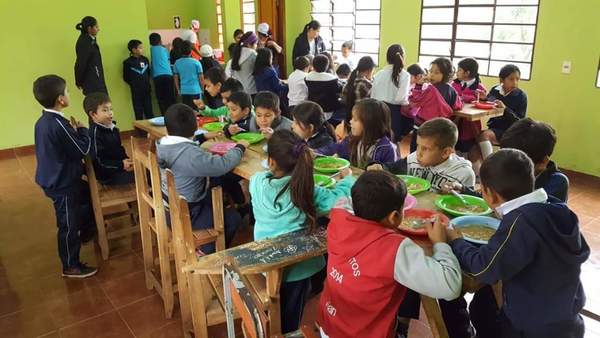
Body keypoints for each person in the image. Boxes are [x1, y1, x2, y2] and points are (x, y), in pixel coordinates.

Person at [447, 149, 589, 338]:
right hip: (566, 319)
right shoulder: (557, 208)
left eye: (482, 189)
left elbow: (483, 268)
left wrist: (455, 240)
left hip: (533, 326)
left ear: (490, 195)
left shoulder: (519, 221)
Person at [318, 170, 462, 337]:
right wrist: (440, 243)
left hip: (329, 325)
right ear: (394, 216)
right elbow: (450, 286)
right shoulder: (394, 249)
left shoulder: (338, 215)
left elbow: (347, 200)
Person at [250, 129, 356, 333]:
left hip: (264, 258)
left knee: (277, 306)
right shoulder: (305, 190)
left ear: (271, 161)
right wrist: (348, 179)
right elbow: (338, 199)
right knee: (291, 314)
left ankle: (271, 328)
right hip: (296, 267)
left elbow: (264, 176)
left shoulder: (256, 182)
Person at [156, 104, 247, 253]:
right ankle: (206, 251)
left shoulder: (162, 143)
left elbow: (182, 147)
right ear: (196, 126)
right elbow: (222, 165)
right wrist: (240, 148)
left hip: (169, 208)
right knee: (233, 219)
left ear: (167, 128)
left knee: (216, 184)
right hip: (188, 214)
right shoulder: (192, 155)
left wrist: (202, 137)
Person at [33, 75, 97, 278]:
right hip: (62, 183)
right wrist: (83, 130)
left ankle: (87, 231)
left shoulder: (43, 121)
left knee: (88, 196)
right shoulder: (59, 124)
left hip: (56, 178)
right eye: (68, 92)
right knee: (67, 224)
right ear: (61, 99)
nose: (69, 95)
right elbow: (82, 149)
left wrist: (75, 131)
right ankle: (71, 265)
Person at [444, 118, 569, 203]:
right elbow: (493, 197)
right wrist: (463, 189)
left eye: (516, 165)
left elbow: (538, 217)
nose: (508, 167)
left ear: (542, 162)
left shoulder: (557, 183)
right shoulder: (508, 168)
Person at [369, 118, 476, 193]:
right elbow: (393, 168)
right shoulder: (414, 158)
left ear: (446, 152)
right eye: (418, 145)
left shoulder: (463, 174)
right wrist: (379, 167)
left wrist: (459, 191)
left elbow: (468, 205)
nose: (418, 152)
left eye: (425, 149)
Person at [318, 98, 397, 169]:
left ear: (369, 124)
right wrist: (316, 153)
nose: (350, 121)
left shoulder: (387, 149)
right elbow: (334, 148)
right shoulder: (352, 139)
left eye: (355, 119)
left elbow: (391, 177)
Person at [409, 57, 463, 152]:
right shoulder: (452, 91)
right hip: (440, 130)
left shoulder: (430, 90)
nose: (432, 75)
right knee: (433, 154)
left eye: (436, 73)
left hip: (422, 127)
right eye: (431, 72)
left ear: (446, 75)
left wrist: (418, 85)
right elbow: (458, 105)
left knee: (416, 153)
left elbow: (415, 101)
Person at [478, 64, 528, 160]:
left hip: (512, 132)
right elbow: (490, 101)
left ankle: (490, 165)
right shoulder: (495, 90)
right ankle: (480, 173)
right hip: (495, 128)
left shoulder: (521, 96)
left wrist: (505, 109)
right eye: (511, 79)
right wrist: (484, 98)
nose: (515, 83)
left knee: (484, 135)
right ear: (501, 80)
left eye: (517, 79)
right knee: (474, 148)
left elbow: (520, 122)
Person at [85, 92, 134, 186]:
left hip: (119, 169)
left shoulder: (113, 128)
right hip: (108, 177)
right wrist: (121, 164)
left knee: (146, 170)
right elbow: (98, 163)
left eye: (111, 109)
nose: (110, 112)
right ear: (93, 114)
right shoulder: (94, 133)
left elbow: (119, 149)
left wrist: (126, 161)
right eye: (105, 110)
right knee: (146, 175)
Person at [372, 44, 412, 144]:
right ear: (402, 57)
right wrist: (409, 103)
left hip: (377, 110)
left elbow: (373, 96)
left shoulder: (379, 74)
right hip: (393, 113)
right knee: (392, 143)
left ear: (387, 57)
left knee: (378, 140)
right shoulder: (404, 75)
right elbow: (401, 99)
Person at [452, 57, 487, 155]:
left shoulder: (479, 88)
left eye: (459, 70)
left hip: (470, 126)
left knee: (469, 149)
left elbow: (483, 102)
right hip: (454, 121)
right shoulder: (454, 84)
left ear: (467, 73)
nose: (457, 73)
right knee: (454, 146)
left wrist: (483, 98)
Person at [339, 56, 375, 137]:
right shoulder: (367, 84)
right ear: (370, 70)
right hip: (364, 120)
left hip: (350, 119)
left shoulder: (348, 83)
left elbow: (343, 100)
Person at [74, 16, 107, 95]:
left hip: (97, 81)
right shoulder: (85, 42)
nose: (98, 29)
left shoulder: (91, 40)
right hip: (92, 83)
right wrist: (79, 81)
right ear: (89, 28)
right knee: (99, 105)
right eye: (96, 27)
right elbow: (80, 63)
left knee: (105, 104)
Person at [305, 54, 343, 121]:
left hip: (314, 107)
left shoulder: (307, 77)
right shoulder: (332, 78)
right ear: (327, 66)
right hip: (329, 108)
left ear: (313, 65)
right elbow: (339, 89)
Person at [123, 39, 153, 120]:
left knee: (149, 110)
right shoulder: (127, 62)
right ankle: (141, 132)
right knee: (138, 111)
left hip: (146, 89)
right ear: (133, 50)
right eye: (140, 48)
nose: (142, 49)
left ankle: (152, 131)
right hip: (136, 91)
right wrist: (134, 84)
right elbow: (126, 77)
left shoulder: (145, 59)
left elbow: (148, 73)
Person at [149, 33, 176, 115]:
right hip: (168, 75)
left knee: (161, 99)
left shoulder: (149, 50)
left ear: (150, 42)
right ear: (160, 41)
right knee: (171, 98)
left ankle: (164, 116)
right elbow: (168, 61)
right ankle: (173, 115)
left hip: (157, 77)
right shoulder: (164, 49)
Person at [173, 41, 204, 110]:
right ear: (191, 51)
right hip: (196, 90)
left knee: (187, 112)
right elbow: (201, 78)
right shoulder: (196, 62)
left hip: (184, 91)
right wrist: (202, 90)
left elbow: (175, 78)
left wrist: (178, 90)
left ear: (180, 51)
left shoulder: (177, 63)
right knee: (198, 112)